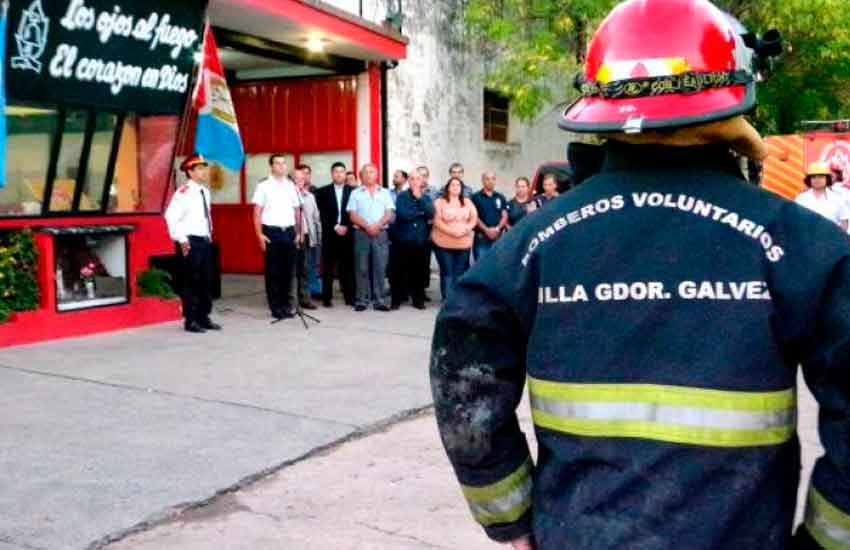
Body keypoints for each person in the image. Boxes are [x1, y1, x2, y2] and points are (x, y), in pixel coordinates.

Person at [431, 2, 843, 549]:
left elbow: (462, 376)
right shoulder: (799, 243)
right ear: (736, 89)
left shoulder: (533, 243)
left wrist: (512, 519)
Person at [165, 154, 222, 333]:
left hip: (204, 241)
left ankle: (203, 316)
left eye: (204, 168)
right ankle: (191, 320)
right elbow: (171, 217)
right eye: (199, 169)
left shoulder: (205, 191)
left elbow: (206, 218)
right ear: (190, 172)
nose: (204, 172)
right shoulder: (183, 192)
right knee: (191, 282)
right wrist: (181, 239)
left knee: (206, 281)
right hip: (190, 242)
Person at [252, 154, 301, 321]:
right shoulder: (263, 186)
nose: (281, 166)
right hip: (271, 232)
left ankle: (286, 306)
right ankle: (275, 307)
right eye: (277, 164)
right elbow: (257, 212)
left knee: (288, 272)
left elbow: (296, 210)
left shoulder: (290, 186)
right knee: (274, 272)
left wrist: (298, 232)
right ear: (271, 166)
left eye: (283, 163)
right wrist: (259, 234)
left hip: (289, 232)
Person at [347, 164, 395, 311]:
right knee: (361, 267)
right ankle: (362, 300)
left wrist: (377, 226)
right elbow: (352, 215)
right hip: (362, 233)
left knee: (380, 267)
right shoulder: (355, 193)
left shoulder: (385, 192)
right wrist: (368, 226)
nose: (369, 175)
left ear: (377, 174)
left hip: (380, 233)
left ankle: (380, 300)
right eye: (366, 172)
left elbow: (389, 213)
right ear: (361, 175)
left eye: (372, 172)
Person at [390, 170, 435, 309]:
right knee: (399, 272)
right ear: (409, 181)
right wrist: (421, 213)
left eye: (418, 179)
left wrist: (420, 200)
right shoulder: (402, 196)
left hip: (420, 240)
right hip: (403, 240)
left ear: (422, 181)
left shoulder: (426, 197)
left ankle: (418, 300)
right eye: (413, 179)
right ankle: (396, 300)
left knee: (419, 272)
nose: (415, 181)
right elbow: (403, 214)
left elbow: (431, 213)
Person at [315, 161, 355, 307]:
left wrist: (346, 226)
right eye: (336, 171)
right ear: (332, 174)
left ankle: (349, 297)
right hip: (330, 234)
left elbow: (355, 212)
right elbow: (321, 213)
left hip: (347, 234)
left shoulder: (353, 191)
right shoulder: (322, 191)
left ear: (345, 174)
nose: (339, 174)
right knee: (328, 268)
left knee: (347, 268)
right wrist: (335, 226)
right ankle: (327, 298)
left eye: (341, 171)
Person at [431, 176, 477, 301]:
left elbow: (474, 218)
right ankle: (447, 300)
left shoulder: (467, 202)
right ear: (448, 188)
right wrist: (452, 232)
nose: (455, 187)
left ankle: (458, 300)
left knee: (460, 273)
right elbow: (436, 220)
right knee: (447, 273)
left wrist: (466, 229)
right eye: (453, 185)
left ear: (461, 188)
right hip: (443, 243)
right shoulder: (439, 202)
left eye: (458, 185)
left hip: (463, 243)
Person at [290, 169, 320, 310]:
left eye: (302, 178)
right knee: (292, 271)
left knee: (305, 269)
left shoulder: (310, 196)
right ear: (291, 180)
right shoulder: (287, 196)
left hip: (306, 236)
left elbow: (316, 219)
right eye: (297, 178)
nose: (300, 180)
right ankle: (293, 301)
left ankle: (305, 299)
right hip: (292, 236)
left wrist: (317, 237)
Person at [795, 162, 849, 231]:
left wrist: (839, 239)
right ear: (809, 180)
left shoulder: (837, 199)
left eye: (820, 176)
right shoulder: (800, 199)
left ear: (827, 179)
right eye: (813, 177)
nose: (817, 180)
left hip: (831, 239)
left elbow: (844, 222)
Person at [471, 170, 508, 261]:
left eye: (493, 179)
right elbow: (474, 216)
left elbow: (504, 215)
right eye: (487, 179)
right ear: (482, 180)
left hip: (498, 238)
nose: (490, 181)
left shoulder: (500, 196)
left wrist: (497, 229)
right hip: (481, 239)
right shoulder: (475, 197)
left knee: (497, 267)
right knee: (481, 268)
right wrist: (486, 230)